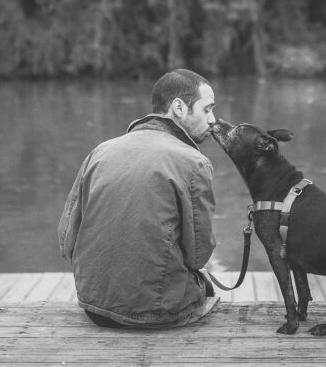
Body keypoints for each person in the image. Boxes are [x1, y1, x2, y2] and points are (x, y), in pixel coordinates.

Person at [58, 68, 218, 328]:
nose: (213, 120)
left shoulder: (100, 152)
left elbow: (66, 241)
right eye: (207, 109)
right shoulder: (194, 163)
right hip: (157, 313)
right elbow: (198, 256)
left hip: (93, 308)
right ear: (179, 107)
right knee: (204, 285)